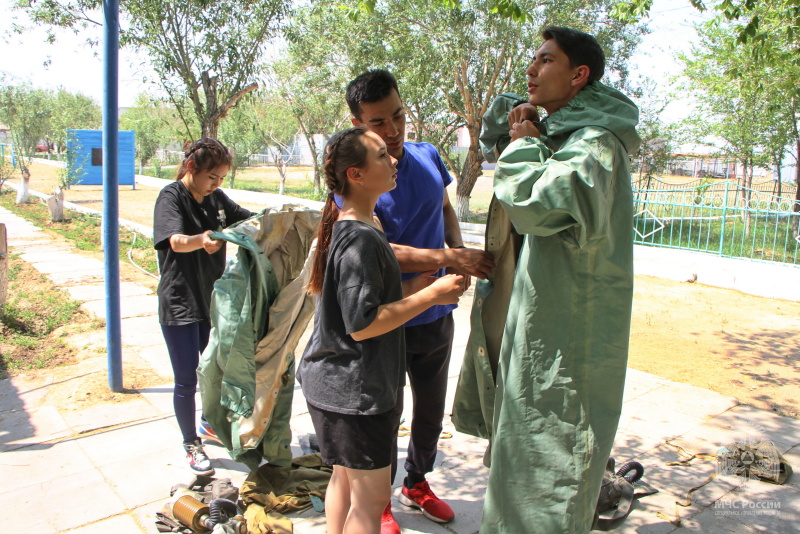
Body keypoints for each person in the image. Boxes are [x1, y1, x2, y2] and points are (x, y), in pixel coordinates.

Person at [452, 27, 642, 533]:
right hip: (538, 330)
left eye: (545, 61)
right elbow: (499, 118)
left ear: (579, 75)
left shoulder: (595, 144)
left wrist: (523, 146)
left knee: (551, 478)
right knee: (522, 471)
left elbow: (535, 206)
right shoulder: (568, 132)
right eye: (532, 62)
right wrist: (527, 126)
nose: (531, 71)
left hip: (567, 344)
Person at [345, 69, 495, 529]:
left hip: (436, 314)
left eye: (398, 117)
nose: (391, 132)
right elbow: (378, 250)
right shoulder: (354, 181)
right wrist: (446, 255)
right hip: (388, 321)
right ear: (356, 122)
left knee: (430, 410)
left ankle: (417, 482)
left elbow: (445, 207)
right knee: (385, 415)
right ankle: (380, 502)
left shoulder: (428, 156)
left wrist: (455, 256)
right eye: (377, 123)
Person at [297, 127, 464, 534]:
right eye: (379, 155)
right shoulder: (360, 238)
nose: (393, 159)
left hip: (335, 387)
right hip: (353, 394)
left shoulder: (357, 226)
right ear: (355, 174)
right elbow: (363, 324)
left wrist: (420, 288)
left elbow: (365, 301)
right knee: (370, 505)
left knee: (343, 481)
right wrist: (430, 296)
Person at [153, 138, 254, 475]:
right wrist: (202, 239)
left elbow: (246, 220)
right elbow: (175, 241)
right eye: (213, 177)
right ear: (193, 168)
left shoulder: (217, 199)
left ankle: (210, 423)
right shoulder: (171, 197)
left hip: (211, 301)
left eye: (222, 178)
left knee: (217, 371)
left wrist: (277, 221)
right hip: (180, 302)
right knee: (186, 379)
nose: (217, 185)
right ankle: (191, 443)